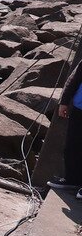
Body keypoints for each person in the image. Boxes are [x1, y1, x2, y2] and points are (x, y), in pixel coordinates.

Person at [49, 56, 82, 196]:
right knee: (72, 146)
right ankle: (72, 180)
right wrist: (64, 101)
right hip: (79, 108)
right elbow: (74, 79)